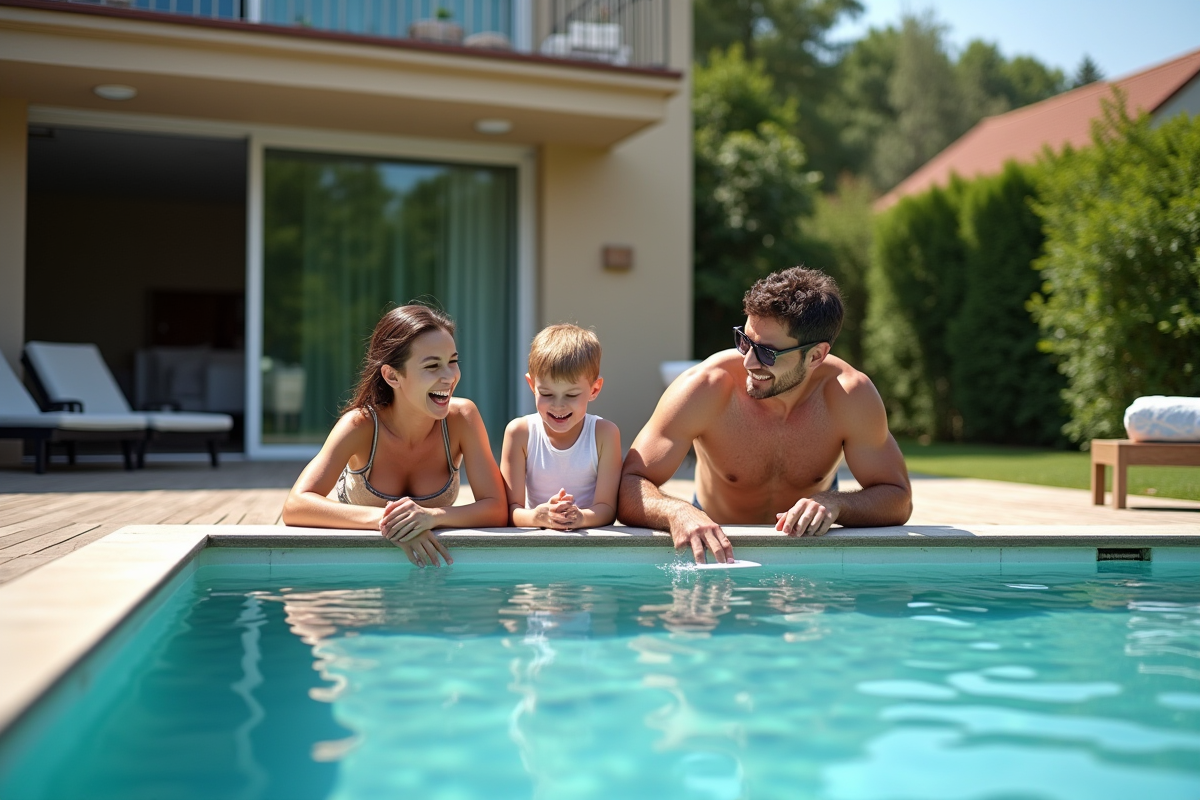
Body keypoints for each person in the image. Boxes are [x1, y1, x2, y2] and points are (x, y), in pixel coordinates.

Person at [618, 267, 912, 563]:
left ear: (816, 356)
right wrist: (676, 511)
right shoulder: (706, 387)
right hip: (717, 537)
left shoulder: (849, 396)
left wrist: (836, 503)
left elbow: (898, 498)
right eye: (744, 340)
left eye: (767, 353)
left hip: (803, 548)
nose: (747, 361)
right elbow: (630, 483)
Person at [282, 305, 508, 567]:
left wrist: (431, 517)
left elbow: (497, 508)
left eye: (453, 361)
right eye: (433, 365)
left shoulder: (461, 418)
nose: (449, 376)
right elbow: (296, 505)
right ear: (392, 375)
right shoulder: (360, 425)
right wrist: (392, 523)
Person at [500, 324, 622, 529]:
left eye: (571, 395)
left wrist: (581, 517)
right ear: (532, 386)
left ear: (594, 389)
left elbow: (607, 508)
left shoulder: (604, 435)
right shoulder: (520, 433)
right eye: (547, 394)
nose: (558, 405)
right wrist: (538, 517)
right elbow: (510, 510)